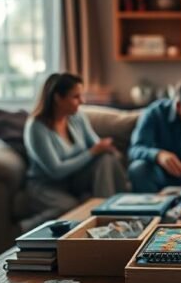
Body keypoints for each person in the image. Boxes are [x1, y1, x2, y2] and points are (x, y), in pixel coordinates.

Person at [24, 73, 128, 217]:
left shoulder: (77, 117)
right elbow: (56, 171)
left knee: (106, 159)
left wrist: (108, 149)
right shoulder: (36, 127)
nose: (82, 101)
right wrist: (92, 152)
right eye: (76, 97)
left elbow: (97, 144)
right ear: (58, 98)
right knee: (72, 208)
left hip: (73, 181)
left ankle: (113, 211)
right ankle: (24, 230)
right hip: (47, 185)